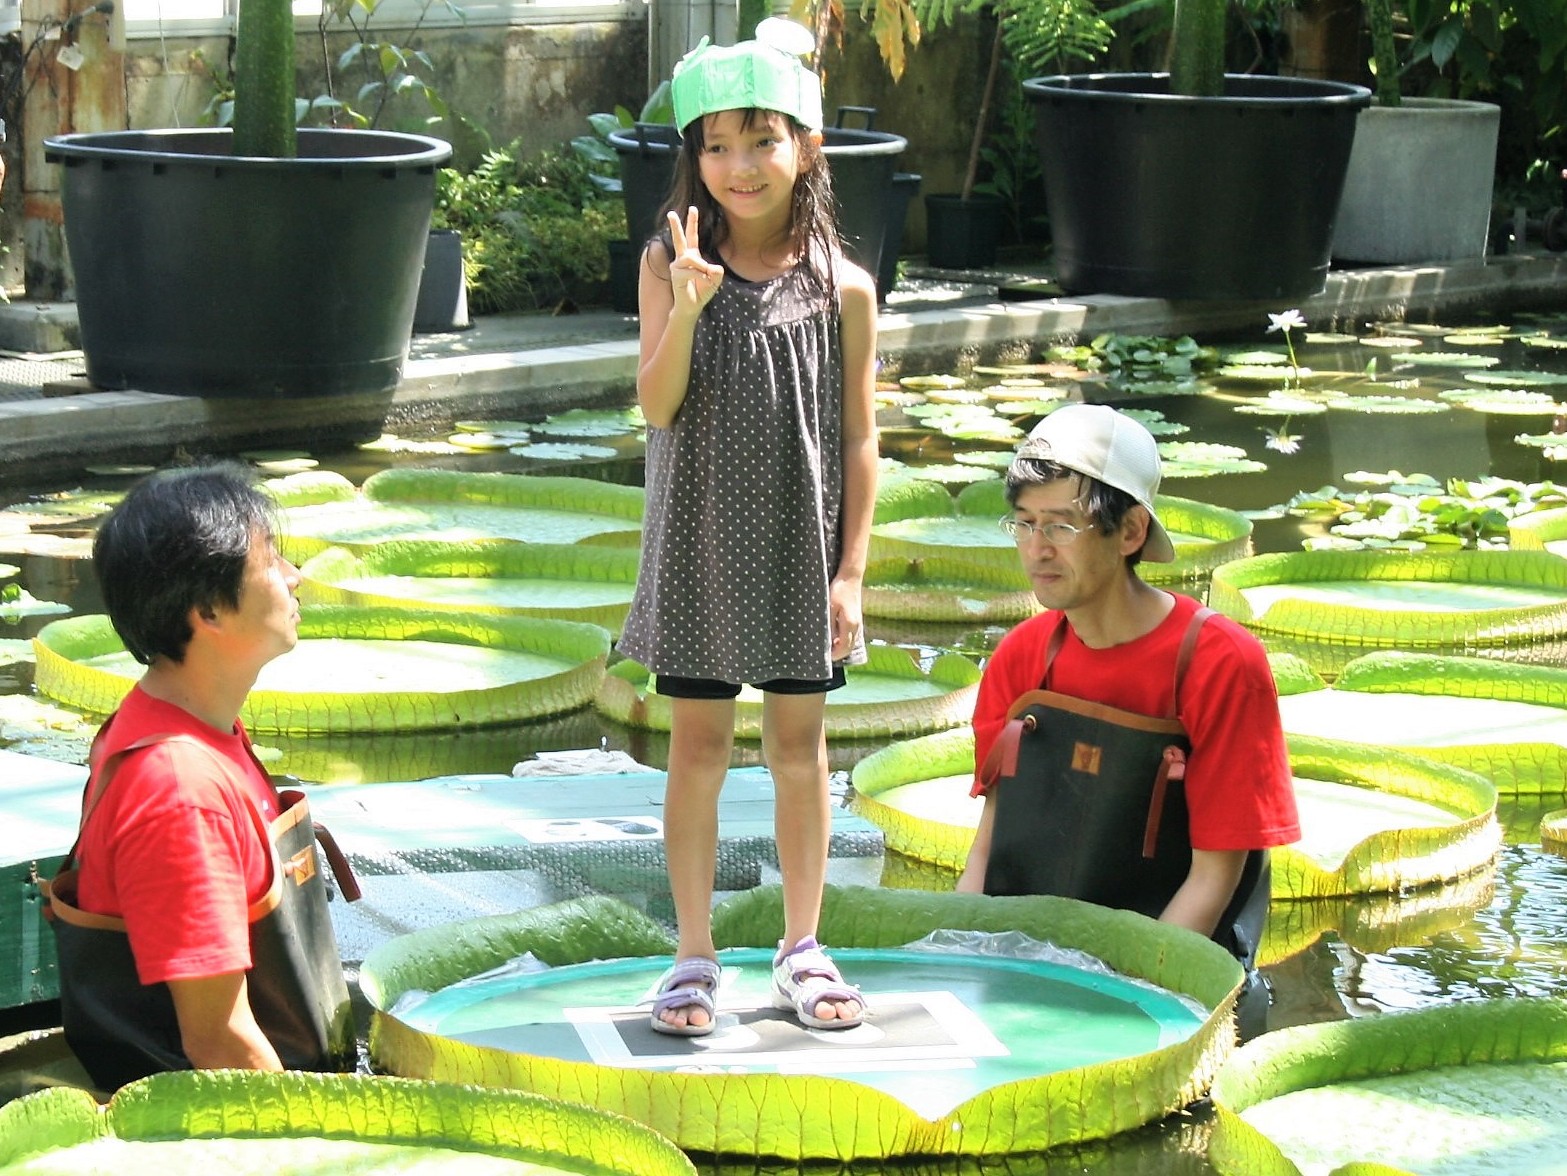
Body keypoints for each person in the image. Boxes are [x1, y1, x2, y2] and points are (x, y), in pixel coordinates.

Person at [615, 20, 878, 1036]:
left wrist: (849, 576)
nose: (737, 166)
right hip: (694, 550)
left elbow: (860, 440)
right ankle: (691, 954)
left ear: (807, 146)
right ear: (693, 156)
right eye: (716, 145)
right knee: (696, 747)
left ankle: (802, 947)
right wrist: (684, 306)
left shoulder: (842, 288)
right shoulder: (665, 260)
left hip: (798, 553)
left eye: (761, 140)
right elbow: (657, 406)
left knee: (800, 746)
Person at [956, 404, 1299, 1036]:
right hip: (1021, 976)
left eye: (1061, 527)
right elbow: (988, 844)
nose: (1036, 551)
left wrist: (1116, 1010)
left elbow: (1214, 877)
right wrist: (953, 964)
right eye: (1025, 525)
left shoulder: (1222, 663)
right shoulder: (1020, 656)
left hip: (1173, 986)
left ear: (1131, 531)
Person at [45, 463, 357, 1090]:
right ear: (209, 610)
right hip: (211, 1123)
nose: (295, 578)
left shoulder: (185, 726)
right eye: (273, 561)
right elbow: (219, 1039)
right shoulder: (180, 789)